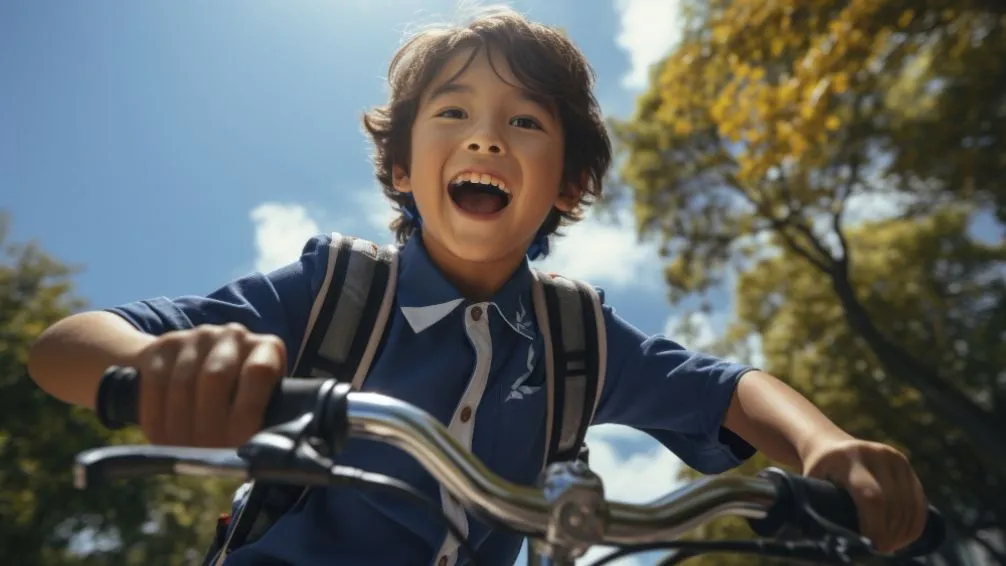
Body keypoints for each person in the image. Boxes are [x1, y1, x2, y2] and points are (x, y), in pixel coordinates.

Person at [28, 6, 929, 566]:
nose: (486, 138)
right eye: (452, 112)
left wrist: (825, 446)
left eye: (525, 122)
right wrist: (163, 371)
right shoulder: (334, 290)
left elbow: (726, 389)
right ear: (401, 172)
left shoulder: (578, 337)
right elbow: (66, 346)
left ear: (568, 184)